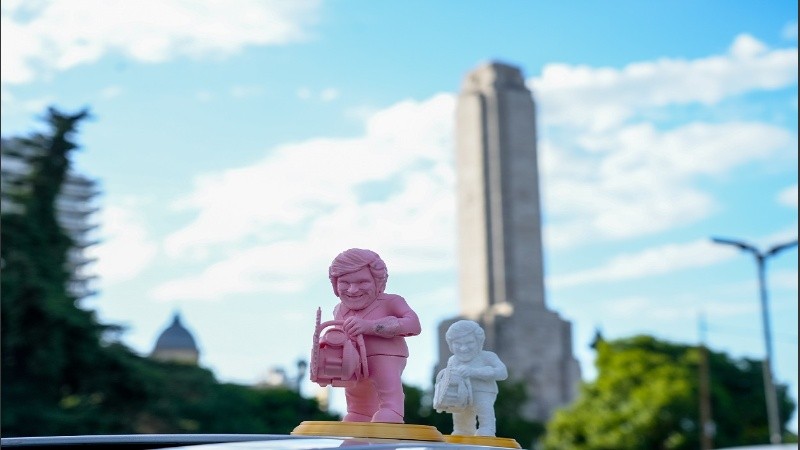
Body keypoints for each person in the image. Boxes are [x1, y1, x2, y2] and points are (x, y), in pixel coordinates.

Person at [327, 248, 421, 423]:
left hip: (386, 355)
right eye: (345, 283)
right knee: (356, 390)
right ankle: (360, 414)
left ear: (378, 282)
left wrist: (370, 326)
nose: (352, 290)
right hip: (353, 359)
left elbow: (413, 324)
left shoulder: (391, 301)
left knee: (386, 380)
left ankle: (392, 410)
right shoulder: (339, 309)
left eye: (362, 282)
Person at [434, 320, 508, 436]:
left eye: (469, 343)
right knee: (461, 415)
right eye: (458, 344)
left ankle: (487, 429)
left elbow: (502, 372)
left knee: (484, 410)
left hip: (483, 392)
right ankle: (463, 431)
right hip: (459, 395)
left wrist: (474, 372)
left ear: (479, 342)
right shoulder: (453, 360)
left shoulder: (487, 357)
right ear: (451, 345)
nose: (463, 348)